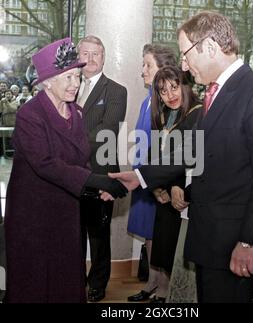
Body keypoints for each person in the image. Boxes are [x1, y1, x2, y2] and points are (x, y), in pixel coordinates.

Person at [109, 11, 253, 303]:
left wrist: (248, 242)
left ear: (211, 47)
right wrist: (139, 177)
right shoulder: (217, 92)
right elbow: (192, 148)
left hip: (234, 240)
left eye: (186, 53)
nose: (183, 64)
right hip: (212, 236)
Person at [3, 38, 127, 303]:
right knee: (35, 283)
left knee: (65, 279)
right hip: (33, 217)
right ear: (47, 82)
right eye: (68, 78)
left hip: (66, 212)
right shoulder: (29, 115)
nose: (75, 84)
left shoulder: (77, 113)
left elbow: (80, 160)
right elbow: (45, 163)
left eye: (77, 77)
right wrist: (94, 180)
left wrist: (97, 189)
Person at [77, 35, 127, 303]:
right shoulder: (69, 86)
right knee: (73, 235)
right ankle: (74, 282)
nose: (92, 58)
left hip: (101, 175)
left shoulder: (116, 90)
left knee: (98, 237)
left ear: (104, 58)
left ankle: (97, 285)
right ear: (78, 57)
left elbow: (106, 131)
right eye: (86, 53)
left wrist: (69, 142)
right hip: (70, 176)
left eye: (97, 54)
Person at [127, 44, 177, 302]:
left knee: (161, 235)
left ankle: (165, 288)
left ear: (163, 70)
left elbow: (168, 149)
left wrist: (154, 180)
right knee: (148, 233)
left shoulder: (169, 102)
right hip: (143, 179)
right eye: (143, 64)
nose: (143, 70)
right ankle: (152, 283)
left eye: (148, 65)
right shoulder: (148, 99)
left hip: (157, 181)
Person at [149, 66, 202, 303]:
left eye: (174, 86)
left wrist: (176, 184)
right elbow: (157, 154)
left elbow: (195, 157)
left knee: (185, 260)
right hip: (165, 193)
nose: (170, 95)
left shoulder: (199, 113)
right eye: (163, 91)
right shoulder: (163, 116)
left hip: (186, 195)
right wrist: (156, 187)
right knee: (168, 255)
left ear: (185, 84)